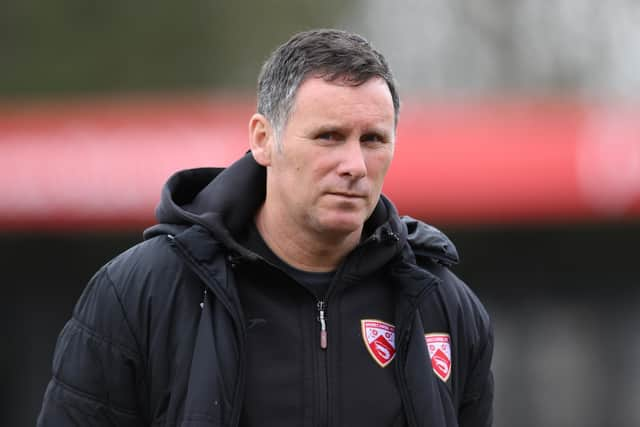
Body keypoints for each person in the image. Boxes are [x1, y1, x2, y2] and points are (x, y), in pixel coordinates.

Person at [38, 29, 493, 426]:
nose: (354, 165)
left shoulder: (445, 306)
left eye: (373, 140)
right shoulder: (140, 292)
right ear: (262, 139)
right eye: (328, 136)